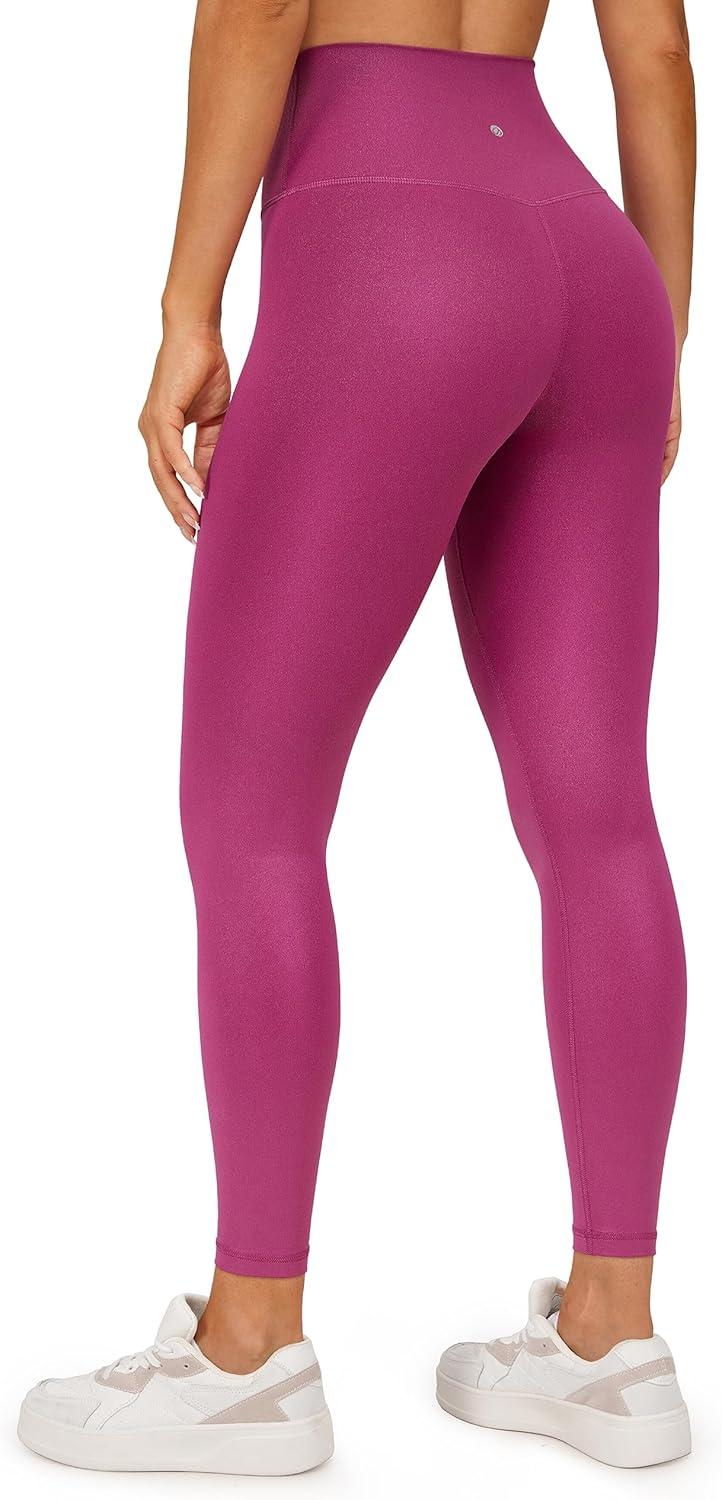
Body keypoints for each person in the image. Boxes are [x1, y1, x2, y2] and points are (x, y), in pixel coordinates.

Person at [18, 0, 695, 1476]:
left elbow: (262, 6)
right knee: (597, 810)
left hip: (389, 244)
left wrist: (188, 309)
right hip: (592, 263)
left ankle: (248, 1356)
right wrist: (663, 326)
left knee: (251, 812)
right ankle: (612, 1340)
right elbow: (652, 52)